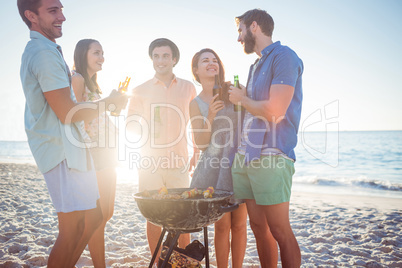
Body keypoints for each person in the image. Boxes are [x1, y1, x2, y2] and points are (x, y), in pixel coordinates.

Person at [17, 0, 127, 267]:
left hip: (72, 151)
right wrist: (109, 103)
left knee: (87, 222)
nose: (63, 17)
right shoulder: (42, 52)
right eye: (53, 10)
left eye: (61, 9)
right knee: (74, 228)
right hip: (62, 150)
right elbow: (67, 113)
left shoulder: (49, 50)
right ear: (31, 15)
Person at [228, 9, 303, 268]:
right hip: (248, 154)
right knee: (258, 227)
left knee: (280, 230)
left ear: (255, 27)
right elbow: (253, 108)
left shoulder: (284, 57)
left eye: (241, 30)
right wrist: (242, 96)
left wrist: (243, 99)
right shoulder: (255, 65)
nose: (239, 38)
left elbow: (275, 111)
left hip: (272, 155)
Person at [126, 38, 198, 260]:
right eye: (156, 56)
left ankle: (183, 261)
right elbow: (130, 126)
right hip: (149, 163)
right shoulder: (139, 90)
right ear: (151, 59)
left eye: (165, 56)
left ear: (174, 59)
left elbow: (196, 122)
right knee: (153, 215)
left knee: (182, 215)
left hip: (179, 161)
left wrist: (196, 150)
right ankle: (158, 261)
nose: (161, 60)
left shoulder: (188, 88)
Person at [189, 48, 248, 268]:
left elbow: (247, 119)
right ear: (196, 69)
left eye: (214, 60)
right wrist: (210, 116)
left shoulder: (233, 88)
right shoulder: (195, 103)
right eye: (205, 60)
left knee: (240, 225)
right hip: (214, 168)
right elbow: (201, 143)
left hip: (238, 162)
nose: (211, 63)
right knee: (222, 225)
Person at [71, 39, 119, 267]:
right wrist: (107, 103)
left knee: (106, 213)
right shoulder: (77, 79)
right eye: (96, 53)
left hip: (108, 150)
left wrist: (111, 103)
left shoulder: (93, 83)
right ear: (84, 55)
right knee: (97, 216)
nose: (101, 57)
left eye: (103, 53)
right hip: (94, 152)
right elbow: (77, 116)